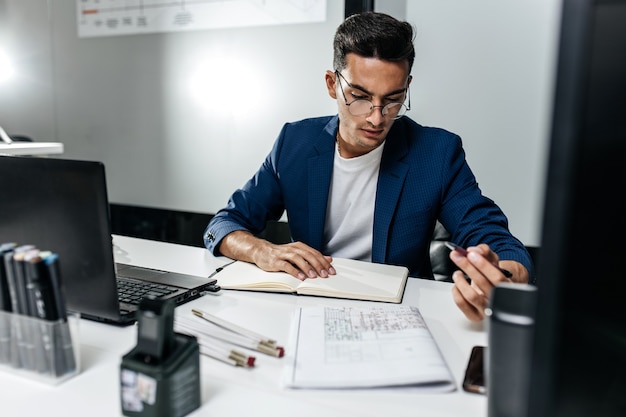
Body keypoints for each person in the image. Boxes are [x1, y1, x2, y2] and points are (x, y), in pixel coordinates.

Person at [204, 11, 533, 322]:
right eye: (360, 96)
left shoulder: (436, 152)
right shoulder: (296, 142)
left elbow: (492, 235)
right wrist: (261, 250)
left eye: (393, 99)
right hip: (306, 306)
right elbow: (224, 224)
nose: (377, 117)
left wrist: (503, 276)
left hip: (399, 311)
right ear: (333, 84)